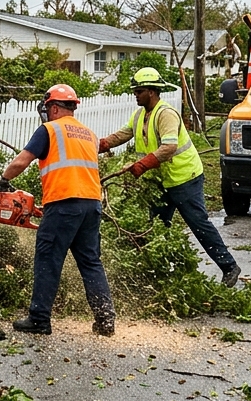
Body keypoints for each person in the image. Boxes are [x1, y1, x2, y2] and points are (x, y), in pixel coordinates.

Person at [98, 67, 241, 288]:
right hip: (160, 182)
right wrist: (101, 145)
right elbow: (124, 134)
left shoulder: (165, 114)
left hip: (184, 178)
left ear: (152, 92)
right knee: (154, 226)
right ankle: (158, 271)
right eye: (135, 91)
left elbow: (169, 147)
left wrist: (143, 164)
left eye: (139, 91)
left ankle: (229, 267)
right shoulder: (140, 115)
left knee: (198, 224)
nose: (135, 94)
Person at [0, 84, 115, 337]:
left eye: (48, 109)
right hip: (91, 204)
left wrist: (1, 181)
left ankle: (39, 319)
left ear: (54, 107)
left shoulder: (49, 130)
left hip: (63, 203)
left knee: (48, 259)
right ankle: (105, 319)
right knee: (91, 261)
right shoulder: (89, 134)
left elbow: (21, 161)